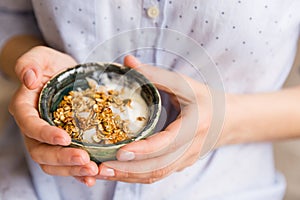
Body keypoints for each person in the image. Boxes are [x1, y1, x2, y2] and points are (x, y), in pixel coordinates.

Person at [0, 0, 300, 199]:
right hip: (36, 184)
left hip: (225, 186)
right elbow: (10, 17)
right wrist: (34, 70)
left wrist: (225, 121)